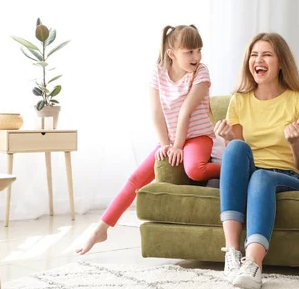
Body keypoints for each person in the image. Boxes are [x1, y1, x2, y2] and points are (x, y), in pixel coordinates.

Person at [76, 25, 220, 255]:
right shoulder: (158, 72)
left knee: (196, 170)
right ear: (172, 53)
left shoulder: (200, 73)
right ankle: (101, 228)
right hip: (172, 139)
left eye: (199, 50)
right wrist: (165, 144)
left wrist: (177, 146)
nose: (197, 57)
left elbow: (185, 111)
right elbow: (156, 111)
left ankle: (232, 168)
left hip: (198, 136)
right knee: (136, 179)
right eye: (190, 52)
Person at [214, 32, 299, 289]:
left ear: (281, 62)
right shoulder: (239, 100)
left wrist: (294, 142)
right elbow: (236, 161)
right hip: (252, 173)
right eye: (254, 54)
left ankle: (254, 265)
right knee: (236, 147)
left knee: (261, 177)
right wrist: (228, 139)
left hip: (288, 176)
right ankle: (232, 254)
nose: (258, 60)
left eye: (267, 54)